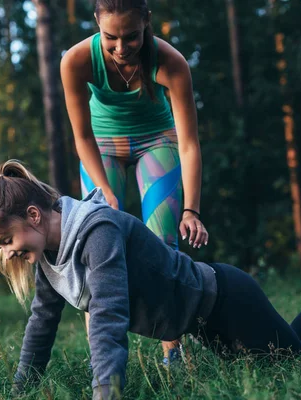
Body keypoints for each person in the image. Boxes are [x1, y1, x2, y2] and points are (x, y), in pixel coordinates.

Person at [0, 160, 301, 400]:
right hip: (204, 324)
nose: (7, 253)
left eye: (6, 239)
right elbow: (41, 325)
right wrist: (20, 391)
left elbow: (109, 314)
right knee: (290, 351)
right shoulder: (50, 257)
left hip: (224, 300)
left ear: (34, 215)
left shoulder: (96, 230)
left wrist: (105, 392)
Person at [61, 0, 207, 362]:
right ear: (96, 23)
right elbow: (81, 137)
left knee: (162, 243)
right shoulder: (76, 61)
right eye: (110, 37)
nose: (121, 48)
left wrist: (191, 209)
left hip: (157, 141)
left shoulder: (171, 62)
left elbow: (188, 143)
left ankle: (173, 355)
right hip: (101, 145)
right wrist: (105, 190)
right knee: (96, 246)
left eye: (131, 37)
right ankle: (104, 359)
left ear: (147, 23)